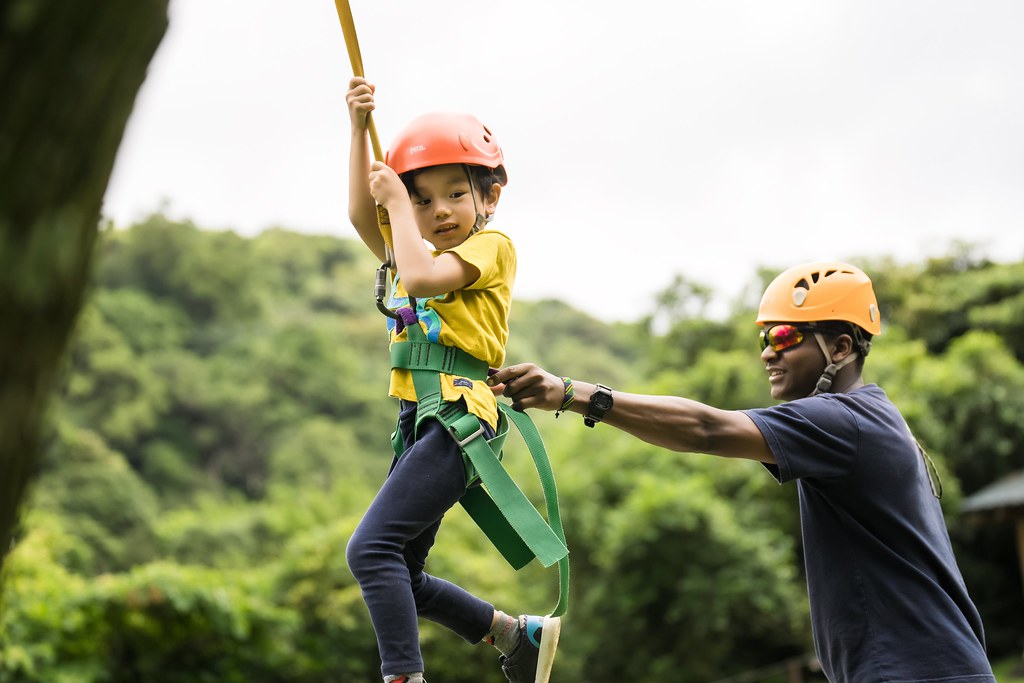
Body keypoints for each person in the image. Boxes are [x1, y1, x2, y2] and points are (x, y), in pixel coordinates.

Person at [490, 261, 996, 683]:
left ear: (840, 348)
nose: (767, 351)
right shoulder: (867, 421)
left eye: (784, 334)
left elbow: (708, 429)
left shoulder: (845, 421)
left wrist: (574, 393)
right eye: (763, 336)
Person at [343, 77, 560, 683]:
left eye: (454, 194)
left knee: (370, 550)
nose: (438, 210)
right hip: (422, 419)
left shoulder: (492, 247)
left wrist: (397, 204)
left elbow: (419, 276)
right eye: (423, 199)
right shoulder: (411, 243)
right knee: (400, 572)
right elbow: (363, 214)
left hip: (462, 417)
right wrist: (360, 130)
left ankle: (403, 676)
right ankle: (516, 636)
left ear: (488, 198)